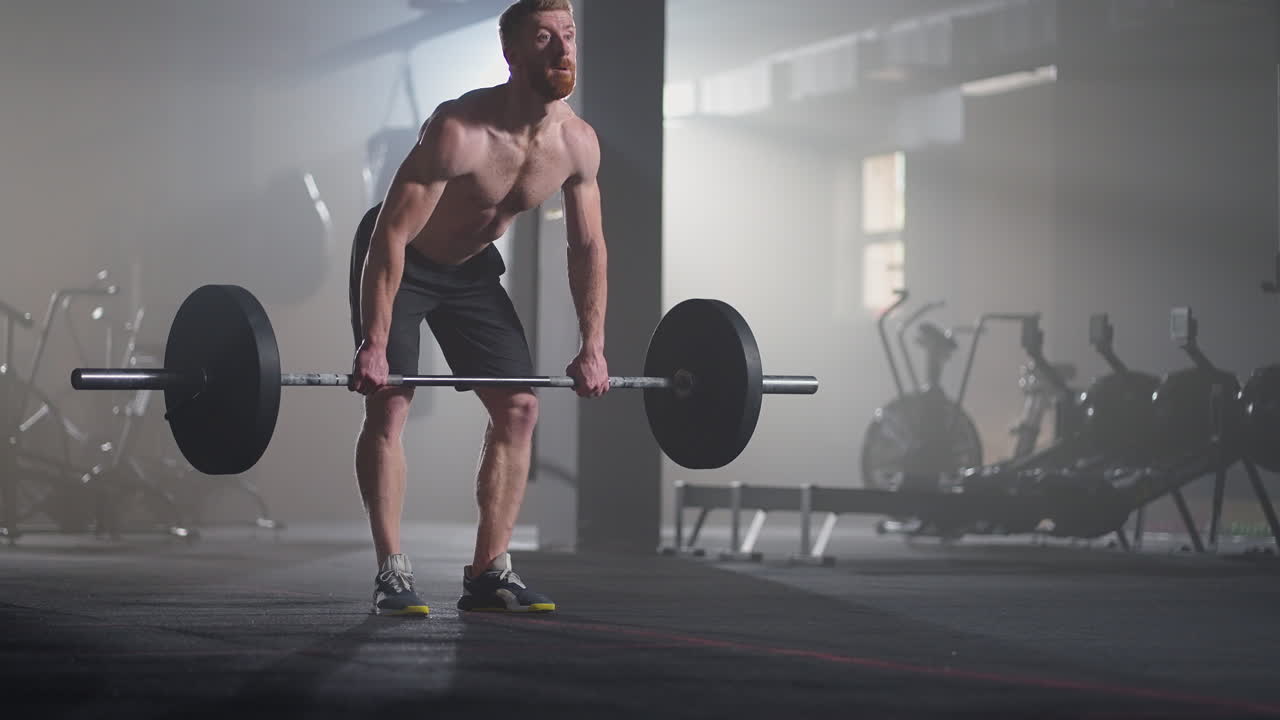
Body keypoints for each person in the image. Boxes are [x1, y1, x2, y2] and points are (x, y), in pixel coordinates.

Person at [347, 0, 607, 616]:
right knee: (390, 404)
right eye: (544, 38)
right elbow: (390, 236)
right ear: (512, 54)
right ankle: (392, 571)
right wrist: (376, 344)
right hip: (404, 259)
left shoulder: (577, 143)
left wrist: (592, 345)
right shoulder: (458, 130)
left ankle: (490, 572)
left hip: (469, 272)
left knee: (519, 406)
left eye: (568, 35)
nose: (562, 49)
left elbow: (587, 246)